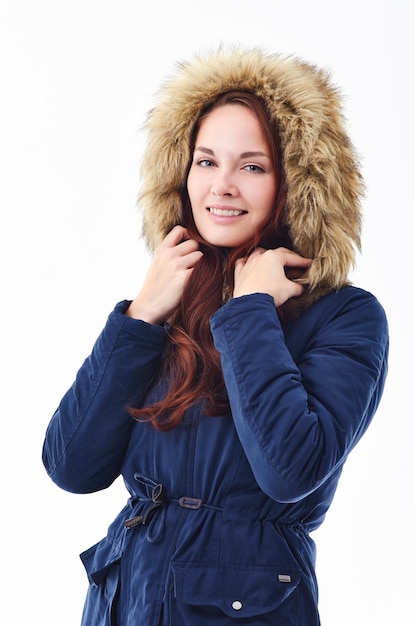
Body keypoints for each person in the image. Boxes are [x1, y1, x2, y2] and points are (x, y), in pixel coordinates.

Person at [42, 47, 389, 625]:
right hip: (125, 599)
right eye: (206, 161)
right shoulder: (169, 306)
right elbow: (70, 467)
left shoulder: (344, 316)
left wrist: (251, 309)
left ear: (296, 183)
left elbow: (290, 471)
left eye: (251, 166)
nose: (222, 186)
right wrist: (140, 319)